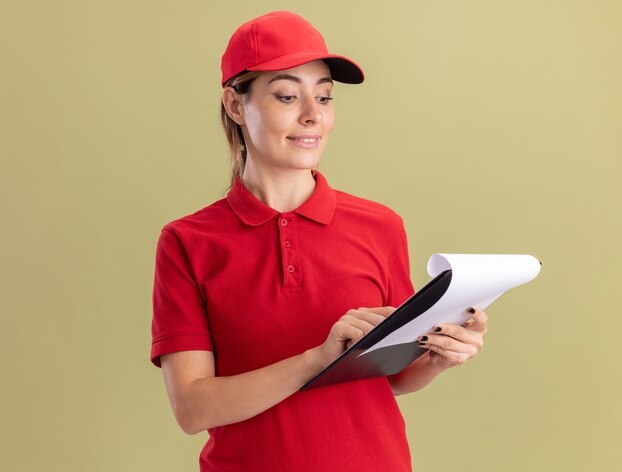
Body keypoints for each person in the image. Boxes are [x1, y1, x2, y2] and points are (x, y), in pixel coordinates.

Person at [150, 10, 488, 471]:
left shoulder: (380, 225)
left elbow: (393, 374)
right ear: (234, 105)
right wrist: (319, 358)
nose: (313, 116)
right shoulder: (187, 242)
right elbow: (193, 408)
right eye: (288, 95)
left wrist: (439, 357)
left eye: (325, 97)